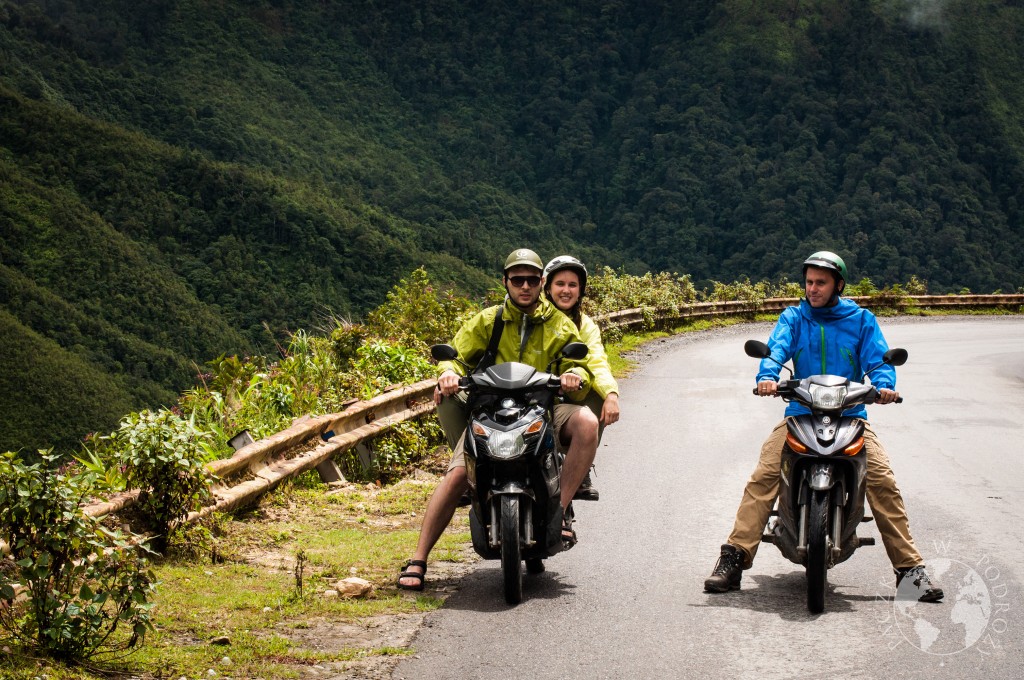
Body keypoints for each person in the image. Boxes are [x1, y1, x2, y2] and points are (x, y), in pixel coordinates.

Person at [703, 251, 943, 602]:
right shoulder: (794, 317)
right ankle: (733, 558)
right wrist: (767, 377)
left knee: (881, 481)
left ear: (838, 285)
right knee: (765, 474)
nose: (812, 289)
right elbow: (775, 351)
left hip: (851, 416)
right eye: (809, 282)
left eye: (821, 282)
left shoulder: (861, 320)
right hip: (800, 413)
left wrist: (884, 385)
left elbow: (879, 361)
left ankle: (910, 572)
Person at [397, 248, 600, 591]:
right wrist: (447, 373)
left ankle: (558, 511)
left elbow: (579, 362)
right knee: (460, 471)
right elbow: (455, 356)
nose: (525, 286)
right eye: (517, 279)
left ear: (541, 283)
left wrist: (573, 376)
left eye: (532, 280)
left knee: (588, 423)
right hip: (489, 411)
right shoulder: (487, 320)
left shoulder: (559, 324)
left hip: (541, 410)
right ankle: (418, 559)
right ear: (505, 282)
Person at [542, 255, 621, 501]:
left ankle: (581, 467)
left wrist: (610, 394)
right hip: (533, 396)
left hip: (567, 398)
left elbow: (596, 360)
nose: (566, 290)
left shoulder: (585, 325)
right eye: (560, 284)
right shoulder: (533, 317)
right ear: (547, 286)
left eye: (572, 285)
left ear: (581, 291)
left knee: (599, 393)